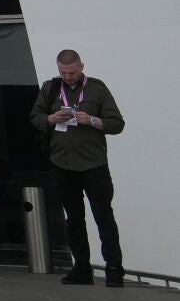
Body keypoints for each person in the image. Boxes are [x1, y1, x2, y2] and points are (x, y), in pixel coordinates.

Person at [28, 49, 127, 286]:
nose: (68, 77)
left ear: (82, 66)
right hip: (61, 162)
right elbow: (35, 116)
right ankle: (81, 268)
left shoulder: (97, 89)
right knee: (73, 217)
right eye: (63, 72)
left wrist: (92, 120)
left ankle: (114, 268)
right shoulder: (50, 88)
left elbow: (117, 124)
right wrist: (52, 119)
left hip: (93, 163)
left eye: (72, 72)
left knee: (103, 216)